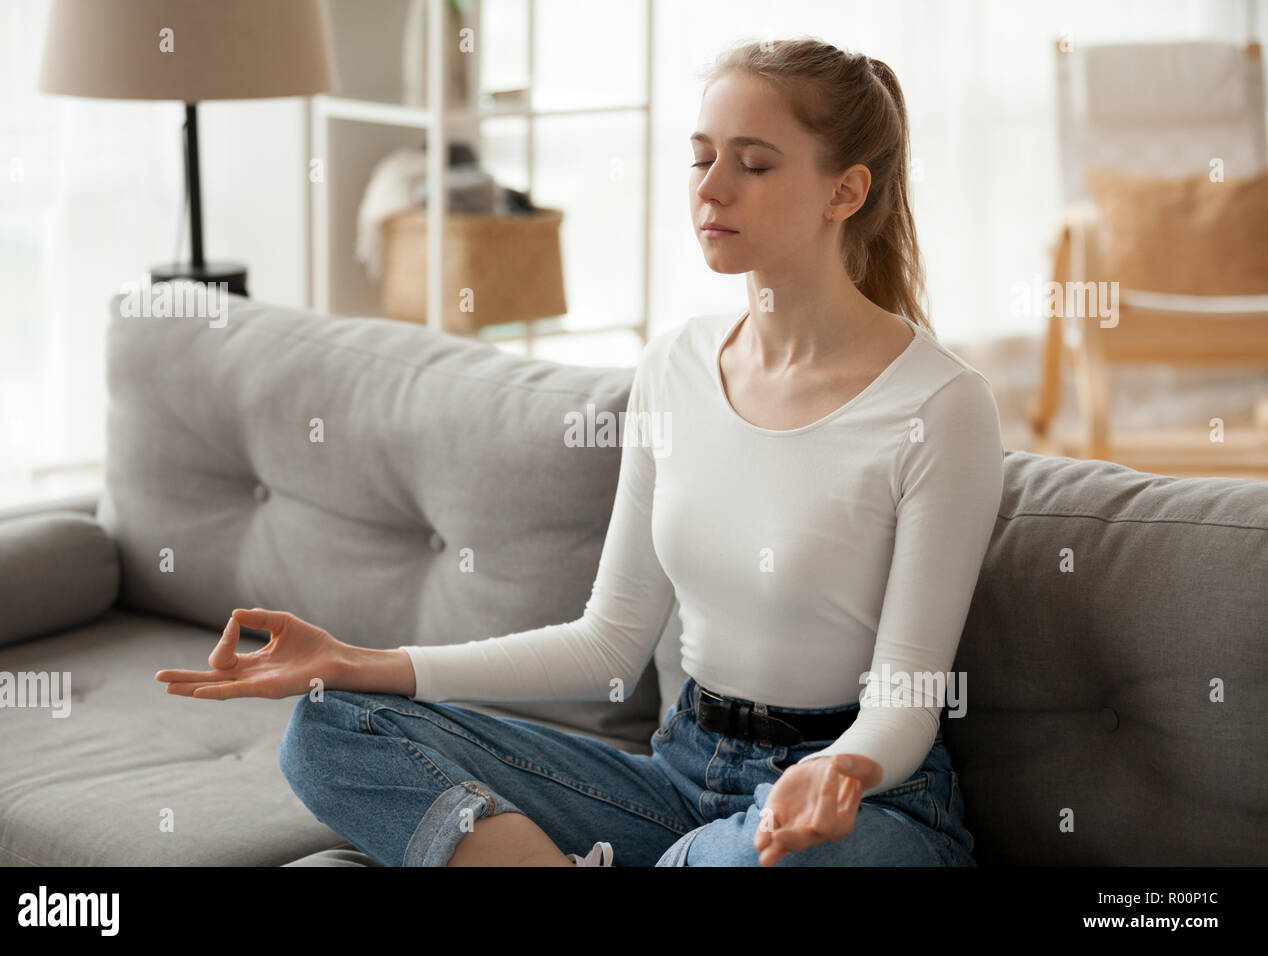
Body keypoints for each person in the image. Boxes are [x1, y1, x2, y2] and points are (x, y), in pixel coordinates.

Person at [155, 36, 1003, 868]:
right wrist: (359, 660)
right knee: (333, 727)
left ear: (844, 190)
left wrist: (837, 769)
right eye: (701, 156)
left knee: (757, 861)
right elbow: (608, 641)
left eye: (754, 163)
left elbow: (906, 700)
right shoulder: (674, 367)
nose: (710, 188)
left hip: (860, 804)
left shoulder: (939, 404)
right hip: (679, 776)